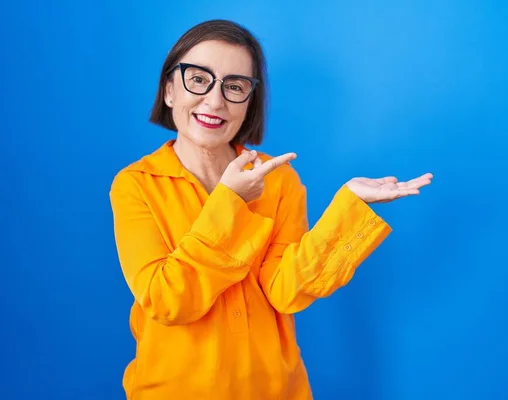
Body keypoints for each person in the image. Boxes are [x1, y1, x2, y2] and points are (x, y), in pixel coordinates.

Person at [109, 19, 433, 400]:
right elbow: (167, 301)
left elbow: (286, 292)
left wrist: (350, 205)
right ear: (168, 90)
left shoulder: (278, 180)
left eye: (234, 87)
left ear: (249, 103)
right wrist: (231, 202)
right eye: (198, 79)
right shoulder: (136, 184)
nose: (215, 101)